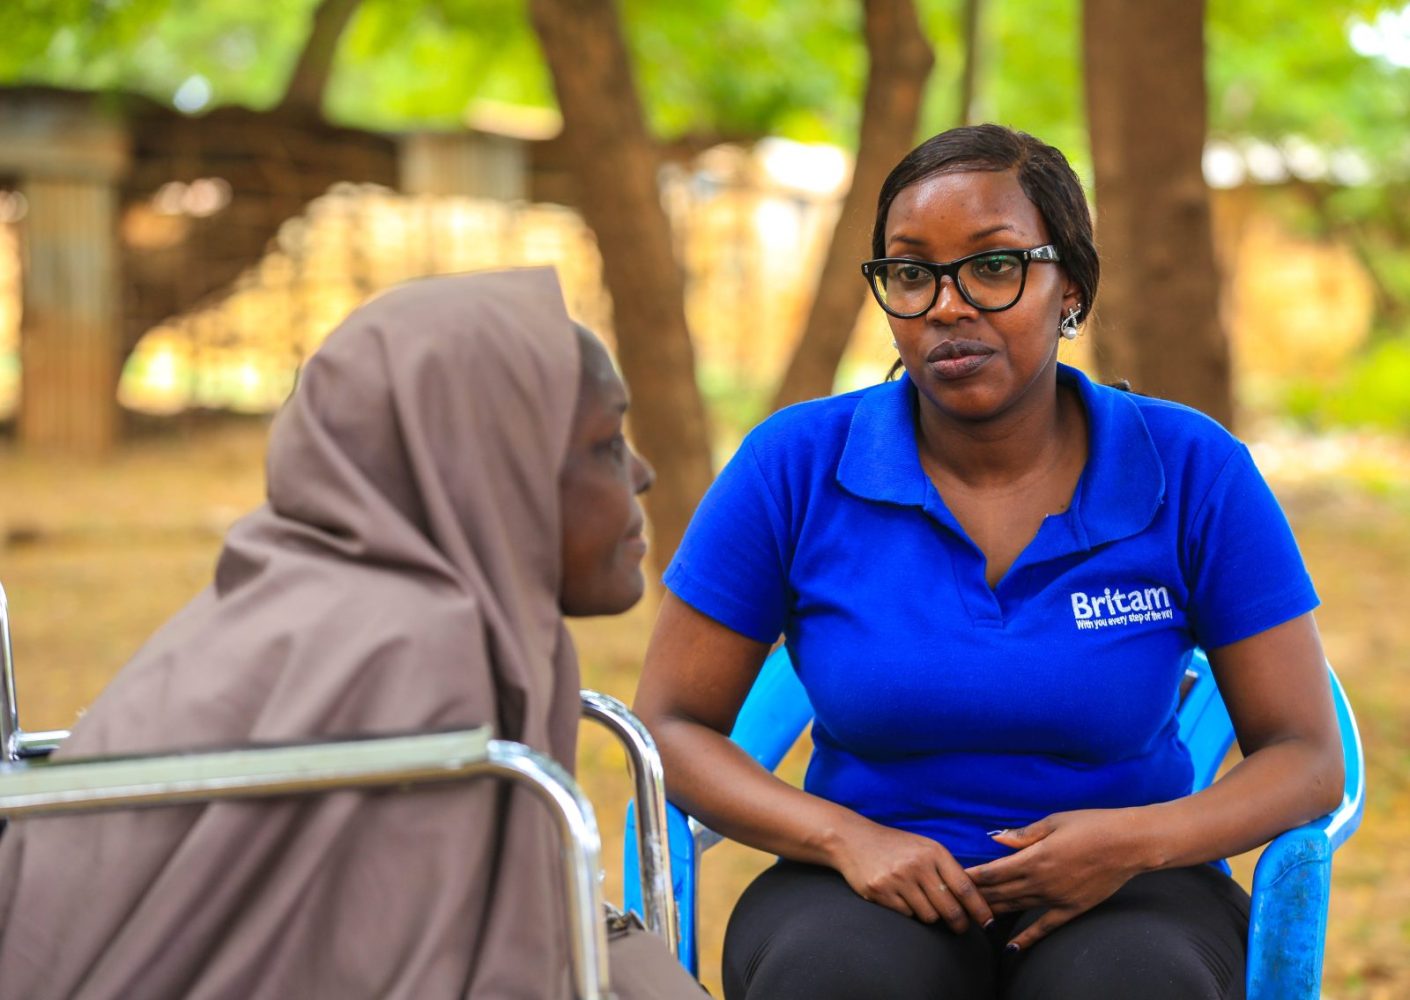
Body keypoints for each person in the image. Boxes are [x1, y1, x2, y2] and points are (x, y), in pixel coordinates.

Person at [633, 125, 1345, 1000]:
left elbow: (1307, 754)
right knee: (839, 982)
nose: (946, 304)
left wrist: (1138, 841)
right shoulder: (796, 464)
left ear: (1070, 286)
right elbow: (669, 726)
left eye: (994, 266)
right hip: (859, 885)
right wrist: (842, 839)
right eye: (910, 271)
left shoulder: (1192, 467)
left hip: (1134, 891)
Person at [0, 269, 702, 999]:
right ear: (483, 467)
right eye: (607, 445)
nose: (643, 474)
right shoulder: (410, 655)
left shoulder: (355, 602)